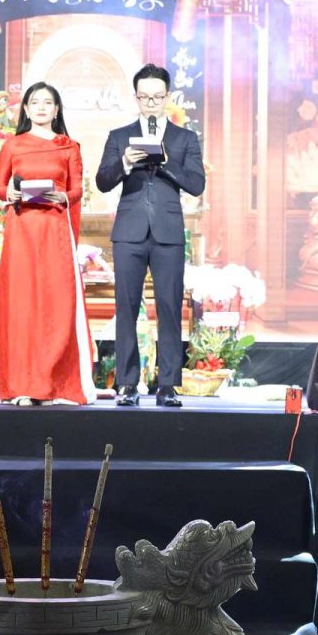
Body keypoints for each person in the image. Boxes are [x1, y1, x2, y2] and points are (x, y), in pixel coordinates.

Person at [95, 64, 205, 406]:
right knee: (126, 307)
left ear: (167, 97)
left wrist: (166, 161)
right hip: (129, 231)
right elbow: (102, 181)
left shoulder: (184, 138)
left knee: (169, 307)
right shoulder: (119, 136)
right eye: (145, 97)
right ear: (136, 98)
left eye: (157, 97)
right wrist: (126, 163)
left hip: (168, 232)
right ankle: (127, 384)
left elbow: (196, 183)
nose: (151, 103)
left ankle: (168, 385)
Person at [0, 82, 95, 406]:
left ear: (57, 109)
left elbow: (77, 190)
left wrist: (62, 196)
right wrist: (10, 193)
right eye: (35, 102)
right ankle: (23, 384)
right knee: (23, 305)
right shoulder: (13, 145)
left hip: (54, 230)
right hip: (22, 230)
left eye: (48, 103)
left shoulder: (69, 147)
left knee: (56, 304)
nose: (41, 108)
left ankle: (55, 384)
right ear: (26, 109)